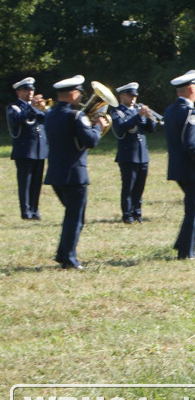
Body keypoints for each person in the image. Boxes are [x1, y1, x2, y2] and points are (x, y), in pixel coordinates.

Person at [44, 75, 109, 269]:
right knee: (75, 219)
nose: (81, 97)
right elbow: (90, 141)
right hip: (74, 174)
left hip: (55, 173)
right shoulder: (76, 115)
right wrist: (98, 127)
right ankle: (69, 259)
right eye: (80, 93)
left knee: (71, 216)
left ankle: (63, 254)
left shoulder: (50, 114)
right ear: (73, 94)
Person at [164, 70, 195, 259]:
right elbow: (192, 146)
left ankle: (182, 243)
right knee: (193, 209)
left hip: (177, 166)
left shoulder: (171, 110)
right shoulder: (191, 112)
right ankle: (186, 252)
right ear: (192, 89)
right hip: (190, 167)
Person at [110, 82, 158, 223]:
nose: (133, 99)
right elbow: (121, 127)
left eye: (135, 96)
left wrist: (149, 117)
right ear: (122, 96)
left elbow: (151, 129)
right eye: (130, 96)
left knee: (140, 187)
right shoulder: (117, 111)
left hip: (142, 154)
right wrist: (138, 116)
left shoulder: (137, 109)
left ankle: (137, 213)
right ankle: (127, 214)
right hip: (128, 154)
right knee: (128, 187)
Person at [7, 77, 48, 220]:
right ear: (18, 92)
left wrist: (42, 109)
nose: (30, 92)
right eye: (26, 90)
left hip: (39, 149)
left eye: (32, 89)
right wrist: (33, 107)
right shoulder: (14, 107)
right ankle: (25, 211)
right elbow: (17, 119)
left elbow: (46, 119)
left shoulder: (36, 107)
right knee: (25, 183)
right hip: (24, 150)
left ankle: (35, 210)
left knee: (37, 182)